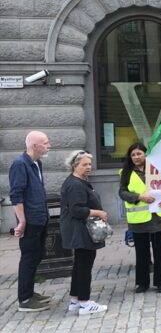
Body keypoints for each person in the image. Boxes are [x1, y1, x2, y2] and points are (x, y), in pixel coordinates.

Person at [60, 150, 108, 315]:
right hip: (79, 230)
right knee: (85, 265)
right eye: (84, 164)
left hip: (79, 229)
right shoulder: (75, 184)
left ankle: (75, 299)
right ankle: (85, 302)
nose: (88, 167)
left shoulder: (79, 181)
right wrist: (98, 213)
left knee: (79, 265)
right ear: (75, 165)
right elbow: (77, 210)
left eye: (89, 164)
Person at [8, 131, 52, 312]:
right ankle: (25, 299)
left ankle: (30, 292)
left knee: (37, 254)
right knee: (29, 257)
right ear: (35, 146)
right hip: (30, 220)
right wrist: (22, 221)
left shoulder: (36, 163)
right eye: (45, 142)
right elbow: (16, 194)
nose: (49, 145)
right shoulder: (20, 164)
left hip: (40, 217)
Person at [118, 142, 161, 293]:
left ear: (145, 154)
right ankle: (142, 283)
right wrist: (139, 196)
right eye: (133, 155)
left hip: (159, 218)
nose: (136, 157)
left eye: (139, 154)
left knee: (160, 252)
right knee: (142, 254)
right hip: (139, 220)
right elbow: (122, 193)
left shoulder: (157, 169)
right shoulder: (125, 173)